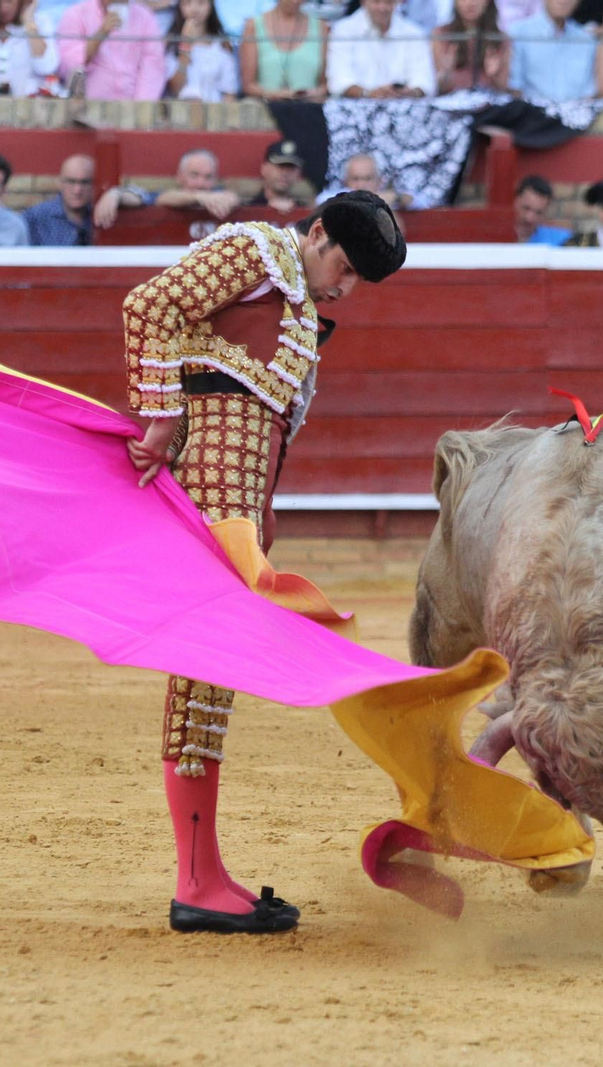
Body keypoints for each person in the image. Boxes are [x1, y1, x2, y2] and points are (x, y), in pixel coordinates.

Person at [119, 191, 407, 934]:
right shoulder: (256, 252)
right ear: (317, 233)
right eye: (344, 266)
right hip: (207, 500)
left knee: (210, 683)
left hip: (239, 514)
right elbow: (149, 304)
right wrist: (161, 417)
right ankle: (195, 882)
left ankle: (205, 875)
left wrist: (264, 508)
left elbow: (265, 427)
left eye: (358, 280)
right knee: (200, 678)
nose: (345, 287)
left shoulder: (301, 311)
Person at [94, 147, 243, 229]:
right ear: (179, 177)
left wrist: (231, 200)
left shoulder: (220, 194)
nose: (200, 183)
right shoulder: (168, 195)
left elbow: (232, 197)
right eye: (194, 175)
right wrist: (115, 193)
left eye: (208, 177)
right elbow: (154, 198)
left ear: (215, 179)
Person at [56, 0, 166, 100]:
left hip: (132, 108)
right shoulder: (76, 14)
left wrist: (140, 107)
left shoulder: (144, 17)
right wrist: (101, 33)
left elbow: (152, 68)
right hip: (86, 108)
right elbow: (67, 66)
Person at [326, 0, 438, 98]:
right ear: (363, 2)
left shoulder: (414, 33)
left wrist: (410, 93)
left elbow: (425, 81)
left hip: (404, 107)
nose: (382, 8)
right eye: (376, 2)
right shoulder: (343, 31)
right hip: (355, 108)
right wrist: (368, 94)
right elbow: (338, 80)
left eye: (388, 2)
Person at [507, 0, 596, 103]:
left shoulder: (587, 39)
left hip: (579, 110)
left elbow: (590, 92)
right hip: (529, 109)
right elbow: (514, 87)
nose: (563, 1)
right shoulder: (518, 32)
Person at [238, 0, 326, 99]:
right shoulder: (253, 26)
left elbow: (325, 84)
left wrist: (313, 93)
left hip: (310, 105)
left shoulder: (320, 27)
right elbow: (248, 85)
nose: (295, 1)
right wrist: (280, 95)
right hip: (265, 106)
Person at [0, 0, 59, 97]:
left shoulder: (41, 22)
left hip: (29, 101)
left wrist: (29, 23)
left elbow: (46, 68)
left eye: (9, 2)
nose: (3, 8)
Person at [166, 0, 240, 100]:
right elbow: (174, 89)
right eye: (187, 3)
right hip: (181, 107)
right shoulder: (171, 43)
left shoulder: (222, 44)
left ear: (211, 6)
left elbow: (229, 92)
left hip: (214, 107)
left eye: (201, 2)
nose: (194, 9)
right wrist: (185, 46)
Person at [434, 0, 508, 92]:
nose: (469, 3)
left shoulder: (500, 38)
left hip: (489, 98)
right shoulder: (442, 35)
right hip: (453, 99)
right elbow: (439, 88)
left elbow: (504, 88)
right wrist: (447, 72)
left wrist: (494, 75)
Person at [24, 154, 97, 245]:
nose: (77, 190)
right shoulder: (35, 218)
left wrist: (113, 195)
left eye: (85, 182)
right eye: (71, 182)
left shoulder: (102, 216)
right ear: (60, 183)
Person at [316, 152, 412, 210]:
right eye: (355, 179)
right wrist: (375, 201)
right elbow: (320, 200)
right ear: (345, 181)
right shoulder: (335, 197)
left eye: (368, 179)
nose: (361, 185)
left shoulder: (388, 198)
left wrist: (397, 198)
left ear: (379, 181)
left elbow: (416, 200)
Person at [247, 139, 306, 212]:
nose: (285, 173)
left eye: (291, 168)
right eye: (279, 167)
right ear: (264, 169)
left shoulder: (306, 212)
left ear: (299, 173)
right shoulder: (249, 210)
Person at [513, 174, 570, 244]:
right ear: (514, 202)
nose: (529, 218)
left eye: (538, 213)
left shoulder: (560, 241)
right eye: (526, 208)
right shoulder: (499, 237)